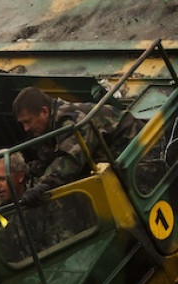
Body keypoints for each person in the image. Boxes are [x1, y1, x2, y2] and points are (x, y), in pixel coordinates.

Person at [12, 86, 144, 205]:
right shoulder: (45, 128)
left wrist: (43, 185)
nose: (26, 128)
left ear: (44, 112)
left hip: (137, 149)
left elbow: (70, 160)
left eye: (28, 121)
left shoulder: (71, 119)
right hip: (112, 156)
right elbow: (49, 161)